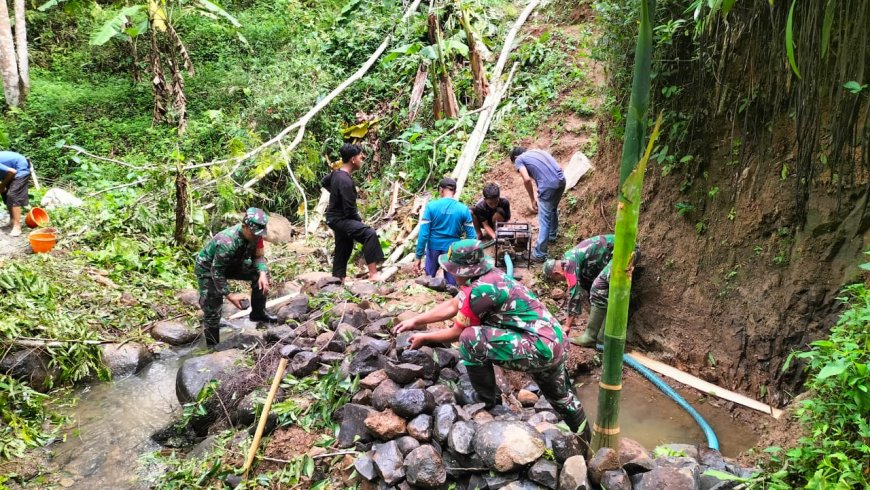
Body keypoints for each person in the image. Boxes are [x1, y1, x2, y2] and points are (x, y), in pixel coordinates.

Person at [394, 239, 592, 445]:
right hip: (553, 342)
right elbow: (455, 303)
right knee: (562, 399)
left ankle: (486, 399)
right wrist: (416, 320)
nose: (451, 273)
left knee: (471, 339)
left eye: (453, 269)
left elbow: (457, 332)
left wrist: (424, 336)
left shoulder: (481, 290)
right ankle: (589, 446)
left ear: (465, 270)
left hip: (539, 347)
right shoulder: (489, 277)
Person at [195, 208, 277, 347]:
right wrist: (231, 296)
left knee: (260, 274)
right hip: (208, 268)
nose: (257, 237)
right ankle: (212, 346)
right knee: (212, 306)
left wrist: (262, 273)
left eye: (259, 234)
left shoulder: (256, 235)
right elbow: (217, 272)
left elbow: (259, 256)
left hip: (235, 262)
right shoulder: (227, 242)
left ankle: (258, 313)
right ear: (244, 226)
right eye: (254, 234)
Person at [321, 143, 384, 281]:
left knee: (344, 244)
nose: (361, 160)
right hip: (340, 219)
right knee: (369, 234)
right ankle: (374, 274)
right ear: (353, 159)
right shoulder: (345, 181)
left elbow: (323, 182)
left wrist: (335, 194)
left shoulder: (336, 174)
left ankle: (338, 279)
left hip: (333, 218)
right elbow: (349, 209)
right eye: (360, 158)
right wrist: (360, 222)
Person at [543, 234, 619, 346]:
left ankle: (590, 337)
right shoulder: (568, 260)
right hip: (611, 255)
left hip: (621, 251)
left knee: (598, 287)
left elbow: (574, 294)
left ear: (556, 273)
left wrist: (567, 326)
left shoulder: (569, 264)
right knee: (589, 284)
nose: (559, 281)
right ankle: (602, 336)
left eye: (556, 279)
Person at [414, 177, 476, 286]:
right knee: (452, 284)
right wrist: (470, 259)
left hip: (433, 247)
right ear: (455, 192)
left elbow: (423, 234)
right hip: (452, 250)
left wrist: (418, 257)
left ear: (441, 190)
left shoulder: (431, 207)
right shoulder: (463, 209)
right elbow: (472, 237)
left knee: (429, 281)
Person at [510, 147, 566, 262]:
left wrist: (532, 199)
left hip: (548, 186)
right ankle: (552, 235)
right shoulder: (539, 152)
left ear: (515, 158)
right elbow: (559, 167)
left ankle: (539, 254)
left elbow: (526, 179)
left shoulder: (519, 159)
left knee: (544, 220)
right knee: (553, 208)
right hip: (561, 181)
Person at [0, 151, 32, 237]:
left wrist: (2, 185)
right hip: (10, 171)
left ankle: (17, 226)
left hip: (20, 169)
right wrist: (2, 187)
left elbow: (12, 171)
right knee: (5, 194)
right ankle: (12, 220)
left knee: (13, 195)